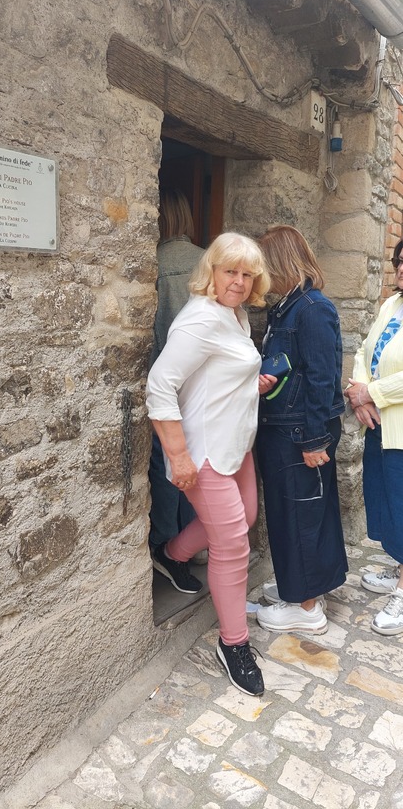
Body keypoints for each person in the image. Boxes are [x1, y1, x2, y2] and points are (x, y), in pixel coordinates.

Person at [146, 232, 275, 696]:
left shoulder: (234, 314)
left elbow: (214, 373)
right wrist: (178, 455)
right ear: (212, 272)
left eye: (247, 274)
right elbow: (160, 385)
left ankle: (172, 554)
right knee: (233, 544)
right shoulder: (200, 318)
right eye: (230, 271)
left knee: (246, 518)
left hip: (235, 444)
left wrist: (249, 383)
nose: (239, 281)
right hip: (204, 452)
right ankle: (233, 643)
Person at [255, 224, 348, 634]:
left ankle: (305, 607)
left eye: (263, 266)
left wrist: (313, 439)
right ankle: (304, 586)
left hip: (298, 434)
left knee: (299, 514)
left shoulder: (311, 308)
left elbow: (322, 378)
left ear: (280, 263)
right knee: (300, 510)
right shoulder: (289, 307)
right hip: (289, 429)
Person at [344, 238, 403, 636]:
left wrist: (373, 393)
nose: (401, 269)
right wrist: (358, 393)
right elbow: (365, 350)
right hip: (380, 425)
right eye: (400, 261)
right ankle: (399, 567)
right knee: (387, 501)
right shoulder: (391, 304)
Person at [148, 189, 205, 589]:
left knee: (166, 461)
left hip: (165, 379)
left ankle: (166, 543)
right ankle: (194, 541)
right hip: (204, 384)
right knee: (199, 459)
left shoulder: (153, 264)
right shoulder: (210, 263)